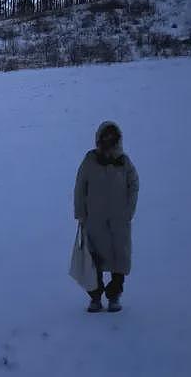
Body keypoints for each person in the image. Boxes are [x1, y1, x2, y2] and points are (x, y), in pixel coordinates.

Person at [73, 121, 139, 313]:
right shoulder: (90, 160)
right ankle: (95, 298)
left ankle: (114, 296)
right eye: (105, 138)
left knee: (120, 259)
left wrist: (128, 211)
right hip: (95, 221)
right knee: (94, 261)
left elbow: (134, 185)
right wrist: (80, 213)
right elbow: (79, 188)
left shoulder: (124, 162)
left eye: (112, 138)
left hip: (119, 223)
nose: (108, 142)